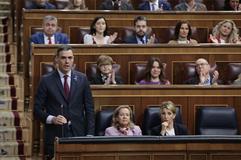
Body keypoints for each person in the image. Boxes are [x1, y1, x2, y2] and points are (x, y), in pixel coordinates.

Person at [34, 45, 95, 160]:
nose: (67, 61)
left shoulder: (82, 79)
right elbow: (37, 110)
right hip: (55, 134)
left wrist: (90, 134)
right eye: (63, 58)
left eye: (70, 58)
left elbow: (90, 108)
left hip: (78, 133)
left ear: (73, 59)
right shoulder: (46, 80)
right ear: (57, 59)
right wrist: (52, 119)